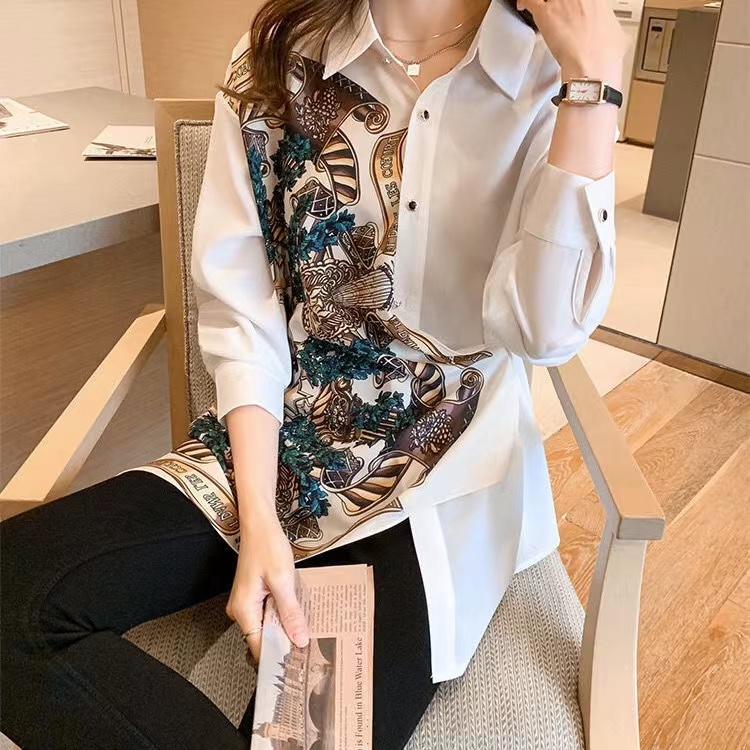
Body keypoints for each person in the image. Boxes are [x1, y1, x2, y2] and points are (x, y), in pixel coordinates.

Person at [0, 0, 625, 747]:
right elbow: (244, 313)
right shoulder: (278, 56)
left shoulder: (550, 74)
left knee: (304, 737)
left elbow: (542, 331)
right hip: (281, 438)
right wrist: (260, 520)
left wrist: (592, 84)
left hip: (434, 479)